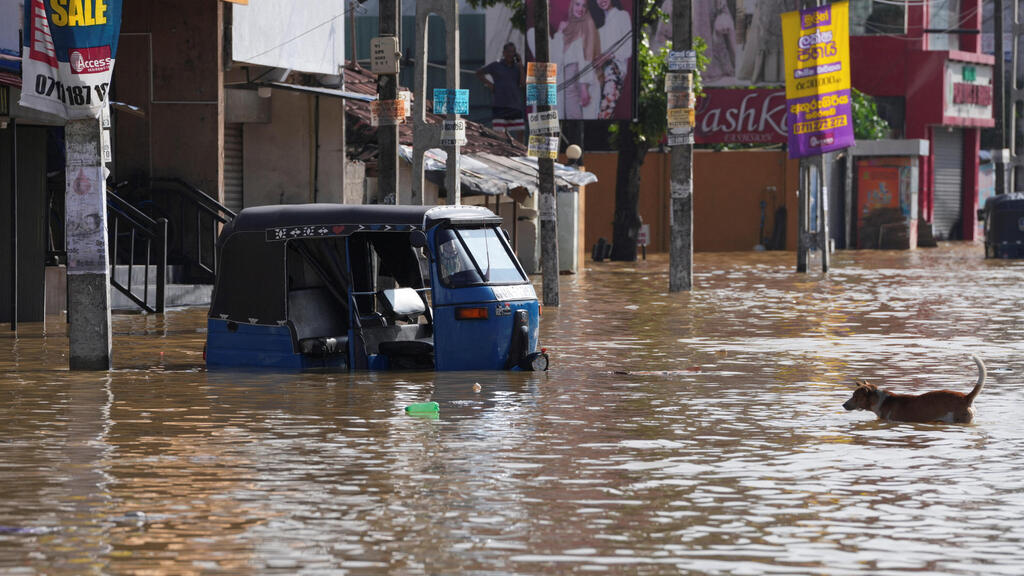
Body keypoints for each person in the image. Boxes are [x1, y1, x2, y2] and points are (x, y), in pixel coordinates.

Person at [552, 0, 601, 119]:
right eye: (577, 4)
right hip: (561, 78)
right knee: (560, 117)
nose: (580, 8)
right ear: (572, 5)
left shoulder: (587, 23)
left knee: (574, 117)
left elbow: (586, 56)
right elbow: (555, 56)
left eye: (584, 5)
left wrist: (583, 87)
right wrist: (559, 33)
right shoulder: (567, 25)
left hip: (577, 78)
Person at [589, 0, 632, 119]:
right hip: (597, 76)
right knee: (595, 114)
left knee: (604, 113)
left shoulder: (622, 16)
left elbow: (628, 49)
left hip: (614, 73)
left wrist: (607, 56)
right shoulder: (600, 26)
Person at [476, 42, 526, 138]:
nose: (510, 54)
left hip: (514, 105)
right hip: (500, 104)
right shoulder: (496, 65)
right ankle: (502, 152)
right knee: (499, 133)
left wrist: (520, 66)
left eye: (512, 52)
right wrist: (490, 85)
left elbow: (523, 84)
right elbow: (479, 73)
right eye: (508, 52)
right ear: (503, 53)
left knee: (520, 130)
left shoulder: (517, 67)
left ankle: (520, 152)